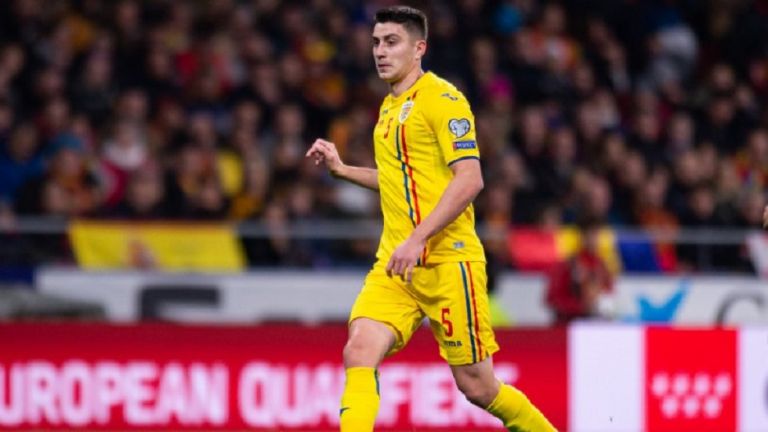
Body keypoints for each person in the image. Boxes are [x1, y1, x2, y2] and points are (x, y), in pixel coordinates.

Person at [306, 6, 555, 432]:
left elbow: (470, 179)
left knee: (478, 387)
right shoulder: (388, 109)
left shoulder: (443, 100)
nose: (380, 51)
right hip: (396, 264)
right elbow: (398, 180)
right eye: (375, 42)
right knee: (359, 350)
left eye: (391, 42)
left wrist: (418, 238)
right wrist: (343, 170)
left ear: (419, 48)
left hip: (447, 262)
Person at [546, 218, 614, 324]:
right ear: (581, 236)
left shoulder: (602, 266)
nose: (595, 239)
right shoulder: (567, 265)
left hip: (596, 325)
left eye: (597, 235)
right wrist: (581, 307)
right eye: (590, 234)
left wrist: (605, 306)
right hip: (569, 325)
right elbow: (552, 299)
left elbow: (609, 294)